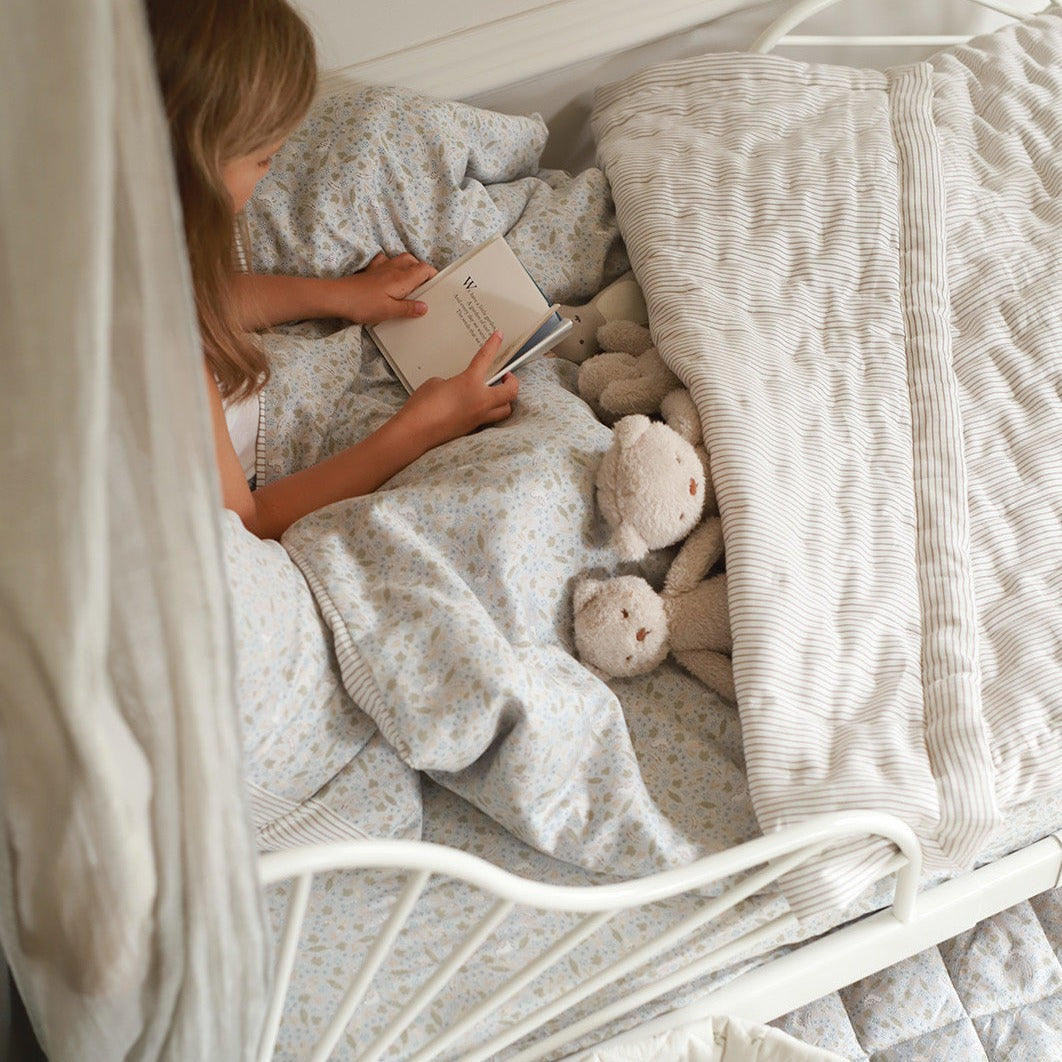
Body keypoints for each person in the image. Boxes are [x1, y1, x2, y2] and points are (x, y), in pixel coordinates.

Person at [146, 0, 519, 540]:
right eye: (263, 159)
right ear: (194, 172)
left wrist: (337, 296)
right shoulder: (159, 354)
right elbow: (248, 523)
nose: (269, 172)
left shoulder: (125, 241)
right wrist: (422, 428)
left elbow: (198, 300)